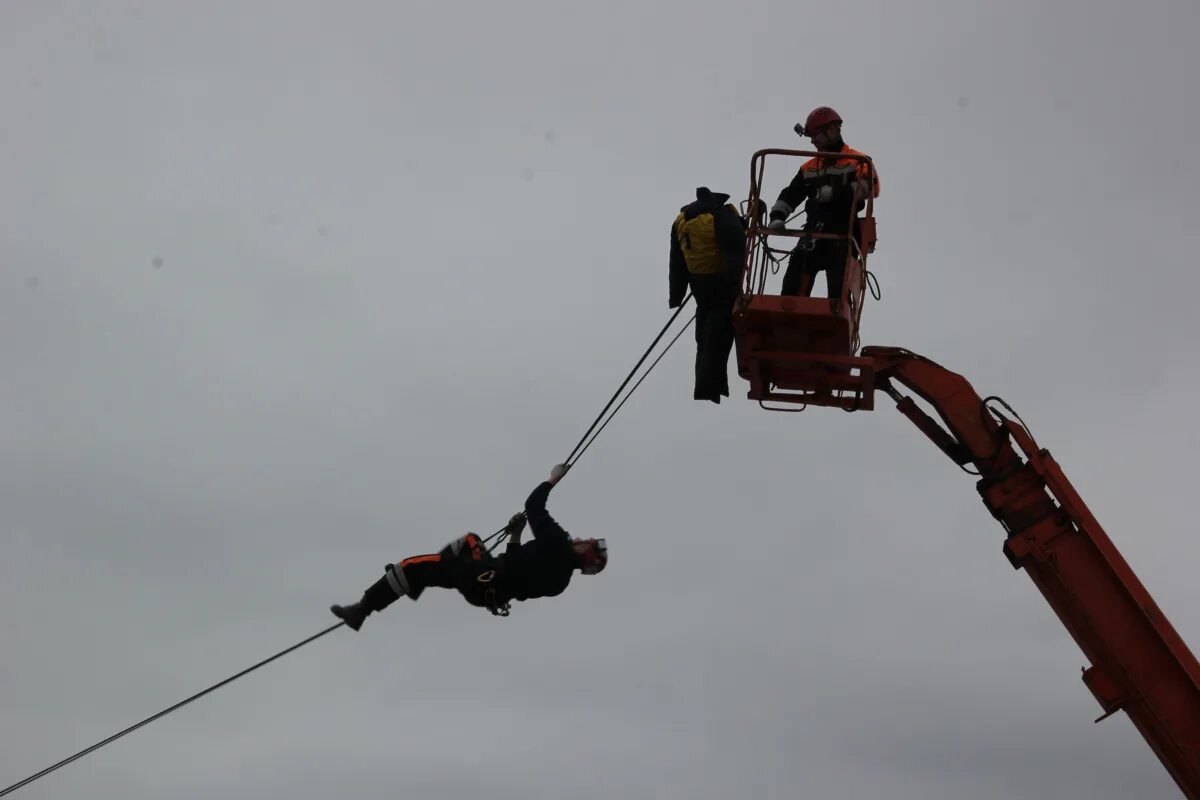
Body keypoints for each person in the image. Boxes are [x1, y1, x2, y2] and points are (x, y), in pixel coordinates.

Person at [330, 464, 607, 628]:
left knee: (416, 565)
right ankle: (411, 581)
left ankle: (364, 608)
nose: (582, 539)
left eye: (587, 542)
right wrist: (515, 535)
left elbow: (533, 505)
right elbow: (518, 572)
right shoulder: (560, 583)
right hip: (486, 590)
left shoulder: (558, 543)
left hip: (480, 575)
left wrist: (552, 479)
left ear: (584, 552)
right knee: (461, 548)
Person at [767, 107, 880, 310]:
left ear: (833, 129)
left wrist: (835, 192)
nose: (813, 141)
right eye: (811, 136)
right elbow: (791, 194)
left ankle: (838, 315)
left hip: (843, 233)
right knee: (794, 278)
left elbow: (868, 188)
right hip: (814, 233)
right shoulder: (810, 167)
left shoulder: (858, 161)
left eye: (816, 134)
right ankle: (789, 318)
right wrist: (777, 216)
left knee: (838, 292)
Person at [669, 187, 750, 403]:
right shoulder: (721, 215)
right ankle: (710, 389)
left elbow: (676, 262)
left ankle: (707, 388)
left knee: (703, 337)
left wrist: (676, 296)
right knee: (718, 337)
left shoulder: (682, 220)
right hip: (722, 284)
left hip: (699, 286)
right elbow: (735, 249)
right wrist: (733, 281)